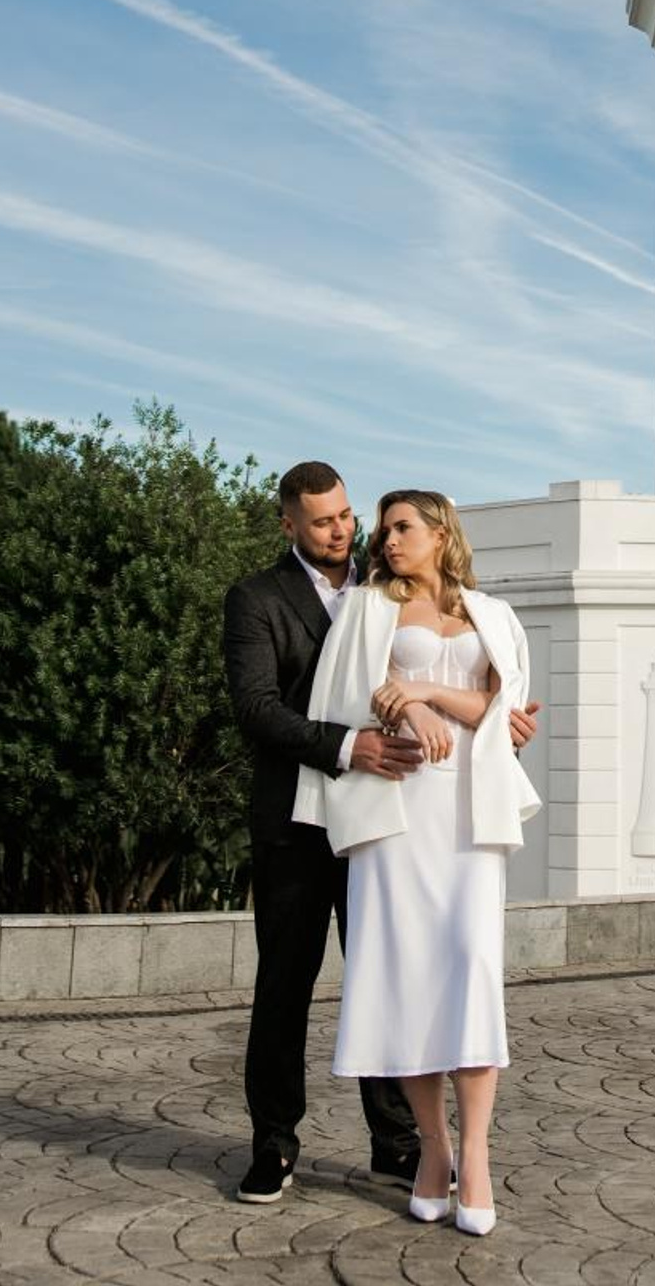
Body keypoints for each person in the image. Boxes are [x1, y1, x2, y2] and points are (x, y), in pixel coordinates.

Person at [295, 489, 542, 1238]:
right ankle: (433, 1153)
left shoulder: (492, 615)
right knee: (404, 981)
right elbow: (350, 692)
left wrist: (429, 689)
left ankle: (480, 1155)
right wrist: (406, 708)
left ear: (440, 533)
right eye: (383, 530)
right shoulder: (368, 609)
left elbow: (508, 713)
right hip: (395, 815)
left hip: (469, 813)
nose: (387, 540)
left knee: (470, 969)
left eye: (402, 527)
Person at [222, 461, 425, 1204]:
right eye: (321, 521)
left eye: (344, 515)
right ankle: (273, 1146)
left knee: (383, 983)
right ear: (287, 525)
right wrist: (347, 746)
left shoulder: (392, 589)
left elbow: (440, 671)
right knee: (284, 990)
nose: (341, 530)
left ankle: (396, 1147)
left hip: (376, 822)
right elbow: (255, 709)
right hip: (291, 828)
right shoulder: (255, 599)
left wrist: (498, 723)